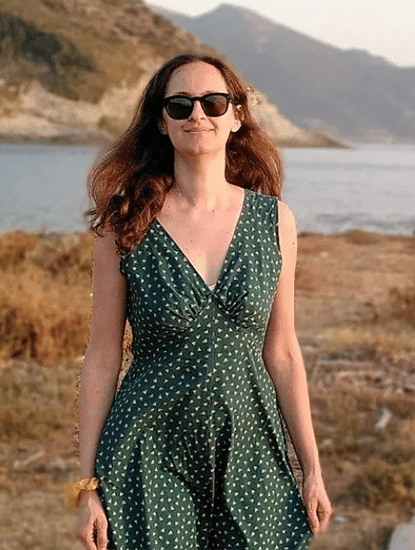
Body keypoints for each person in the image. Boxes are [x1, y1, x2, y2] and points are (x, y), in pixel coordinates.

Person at [66, 53, 332, 549]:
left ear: (235, 117)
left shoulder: (275, 220)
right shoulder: (125, 222)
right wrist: (86, 489)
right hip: (148, 452)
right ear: (161, 123)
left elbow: (283, 352)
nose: (197, 116)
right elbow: (102, 358)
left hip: (251, 449)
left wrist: (312, 468)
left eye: (212, 103)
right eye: (180, 105)